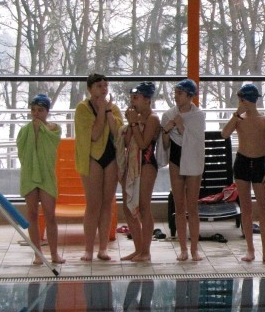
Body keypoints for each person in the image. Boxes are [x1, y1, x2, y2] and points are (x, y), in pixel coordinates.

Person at [221, 83, 265, 264]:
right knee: (246, 209)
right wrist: (236, 115)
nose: (240, 103)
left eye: (241, 100)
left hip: (259, 164)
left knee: (263, 209)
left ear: (247, 100)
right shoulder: (238, 119)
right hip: (242, 163)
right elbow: (224, 134)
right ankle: (250, 249)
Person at [74, 73, 123, 262]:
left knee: (107, 203)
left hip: (111, 157)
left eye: (105, 85)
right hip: (92, 157)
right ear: (89, 89)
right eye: (99, 86)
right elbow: (94, 135)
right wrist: (102, 110)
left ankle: (103, 248)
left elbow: (118, 131)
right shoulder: (82, 109)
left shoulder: (113, 108)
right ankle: (88, 249)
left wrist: (108, 111)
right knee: (93, 204)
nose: (103, 89)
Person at [16, 94, 64, 265]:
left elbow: (52, 144)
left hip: (46, 175)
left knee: (50, 215)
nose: (36, 113)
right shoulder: (25, 130)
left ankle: (54, 253)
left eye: (40, 110)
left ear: (47, 112)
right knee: (32, 214)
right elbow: (22, 150)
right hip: (30, 174)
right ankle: (37, 253)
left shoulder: (54, 129)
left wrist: (40, 130)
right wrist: (34, 131)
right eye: (33, 110)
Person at [161, 78, 205, 261]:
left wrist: (180, 126)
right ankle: (183, 249)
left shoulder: (198, 116)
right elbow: (164, 145)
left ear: (190, 96)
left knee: (192, 207)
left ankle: (194, 249)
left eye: (180, 93)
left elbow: (196, 142)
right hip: (176, 161)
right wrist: (167, 130)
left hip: (193, 161)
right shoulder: (168, 115)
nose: (176, 97)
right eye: (175, 93)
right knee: (179, 207)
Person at [118, 81, 161, 262]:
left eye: (136, 98)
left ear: (147, 100)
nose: (132, 101)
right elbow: (128, 143)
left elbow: (143, 144)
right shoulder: (135, 119)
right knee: (127, 208)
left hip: (147, 164)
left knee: (143, 208)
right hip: (132, 165)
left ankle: (146, 251)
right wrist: (130, 124)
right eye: (131, 98)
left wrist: (134, 123)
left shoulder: (153, 119)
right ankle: (138, 249)